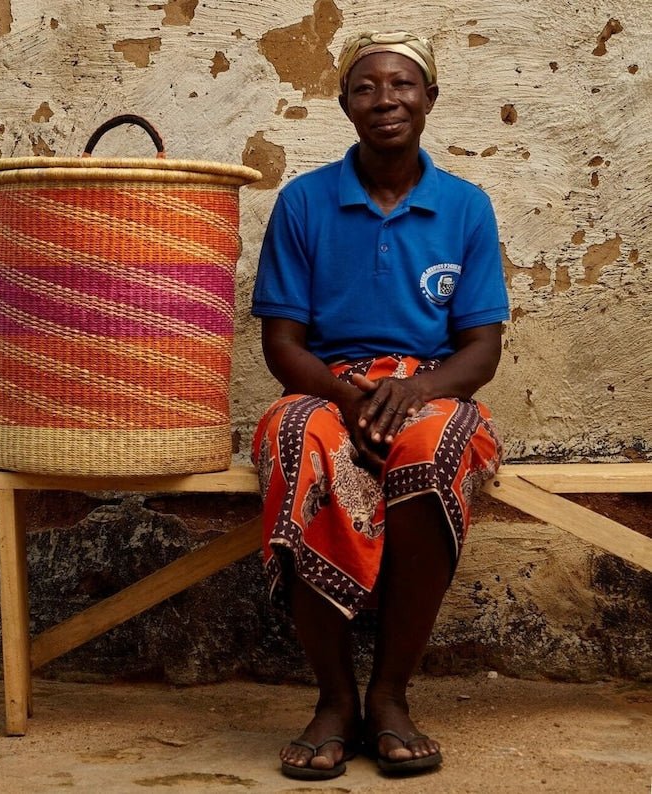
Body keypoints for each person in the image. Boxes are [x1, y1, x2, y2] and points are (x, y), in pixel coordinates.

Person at [250, 30, 510, 780]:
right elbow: (282, 345)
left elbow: (480, 351)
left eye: (402, 85)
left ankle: (390, 695)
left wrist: (417, 390)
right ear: (344, 105)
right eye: (366, 87)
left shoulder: (464, 207)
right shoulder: (305, 202)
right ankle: (334, 699)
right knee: (298, 439)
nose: (385, 100)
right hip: (328, 388)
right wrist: (348, 393)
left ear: (430, 98)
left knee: (437, 449)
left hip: (430, 386)